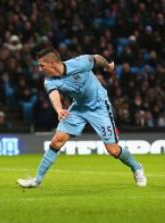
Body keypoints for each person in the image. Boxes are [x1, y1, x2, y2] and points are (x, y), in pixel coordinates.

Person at [17, 47, 147, 188]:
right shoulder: (49, 80)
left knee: (113, 150)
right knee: (56, 142)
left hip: (99, 106)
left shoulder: (80, 63)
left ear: (53, 63)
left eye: (42, 65)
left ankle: (136, 167)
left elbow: (97, 58)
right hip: (78, 107)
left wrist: (108, 66)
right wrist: (59, 109)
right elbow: (53, 95)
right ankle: (37, 180)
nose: (40, 69)